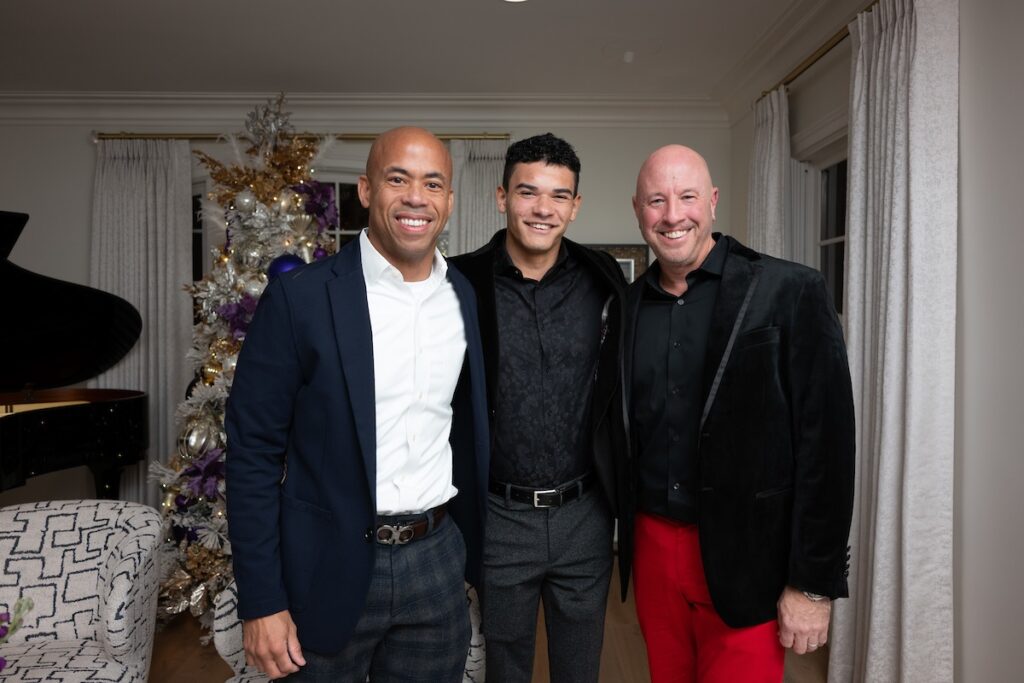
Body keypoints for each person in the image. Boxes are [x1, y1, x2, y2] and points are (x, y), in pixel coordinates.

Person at [225, 127, 490, 682]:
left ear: (448, 201)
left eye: (433, 183)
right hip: (326, 565)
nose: (416, 197)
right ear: (367, 191)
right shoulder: (300, 299)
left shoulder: (463, 296)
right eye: (399, 179)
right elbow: (252, 453)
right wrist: (261, 601)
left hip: (436, 563)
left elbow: (465, 428)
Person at [621, 144, 854, 682]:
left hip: (749, 554)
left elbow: (829, 448)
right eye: (657, 200)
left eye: (687, 197)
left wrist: (813, 584)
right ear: (638, 210)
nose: (673, 214)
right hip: (653, 548)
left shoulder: (789, 290)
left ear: (714, 202)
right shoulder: (627, 306)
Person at [449, 133, 627, 683]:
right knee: (505, 667)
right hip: (500, 514)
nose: (543, 209)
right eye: (529, 192)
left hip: (585, 515)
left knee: (580, 668)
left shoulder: (604, 279)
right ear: (502, 197)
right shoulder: (459, 282)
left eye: (559, 196)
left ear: (575, 206)